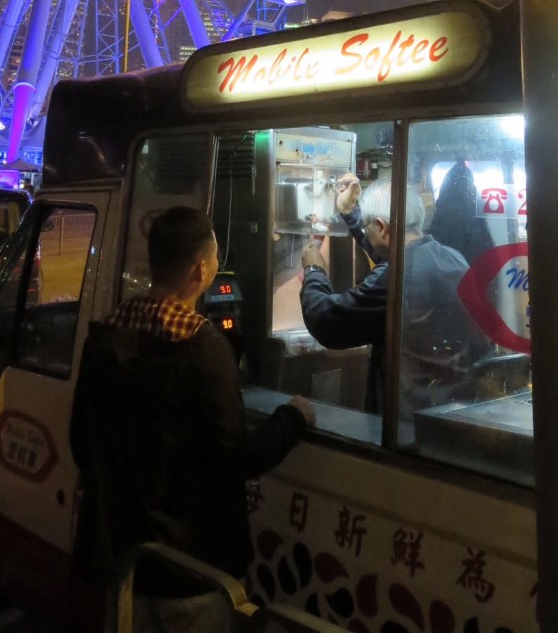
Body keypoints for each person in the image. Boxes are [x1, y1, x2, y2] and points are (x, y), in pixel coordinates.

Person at [70, 204, 315, 631]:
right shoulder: (202, 348)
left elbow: (81, 441)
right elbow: (234, 454)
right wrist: (292, 418)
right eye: (217, 258)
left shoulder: (105, 337)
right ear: (201, 270)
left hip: (126, 565)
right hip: (193, 572)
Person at [300, 175, 485, 418]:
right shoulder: (451, 258)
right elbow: (396, 259)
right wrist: (351, 213)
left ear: (381, 226)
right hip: (448, 411)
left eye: (368, 227)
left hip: (404, 421)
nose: (367, 232)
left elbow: (326, 320)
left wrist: (314, 271)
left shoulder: (393, 279)